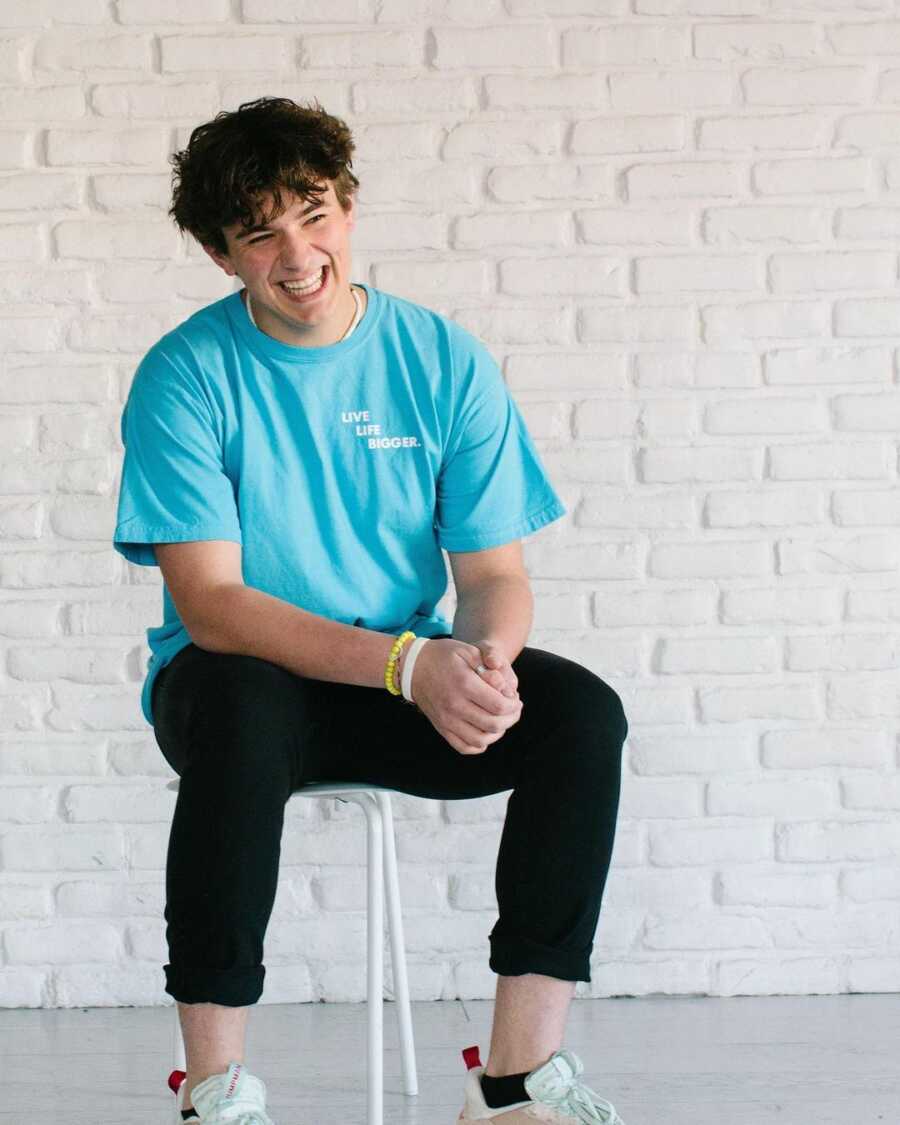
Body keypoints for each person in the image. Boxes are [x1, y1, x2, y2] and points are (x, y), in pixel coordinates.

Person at [112, 96, 629, 1125]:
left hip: (403, 678)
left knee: (581, 716)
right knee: (241, 710)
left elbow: (492, 575)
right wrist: (409, 667)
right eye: (260, 234)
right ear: (224, 256)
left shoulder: (440, 360)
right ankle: (214, 1089)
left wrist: (479, 663)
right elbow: (212, 606)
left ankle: (517, 1080)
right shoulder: (185, 375)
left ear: (348, 208)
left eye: (313, 214)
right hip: (238, 685)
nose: (296, 252)